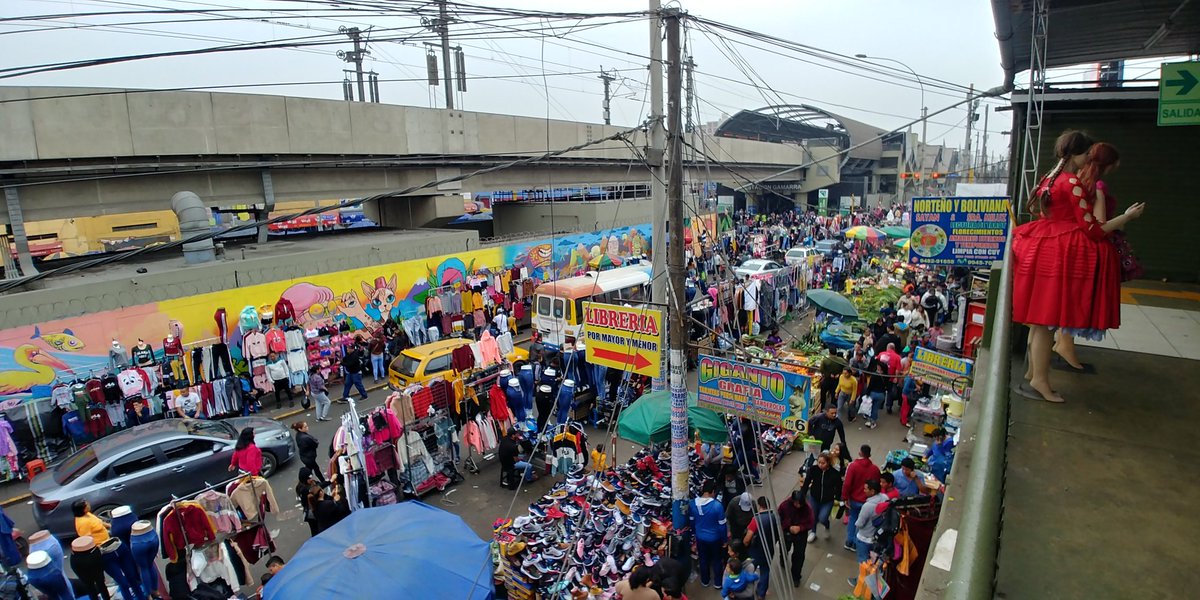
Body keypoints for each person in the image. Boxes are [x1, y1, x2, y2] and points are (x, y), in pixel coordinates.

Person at [1013, 132, 1142, 404]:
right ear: (1077, 154)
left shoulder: (1050, 177)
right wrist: (1126, 217)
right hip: (1062, 254)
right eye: (1087, 154)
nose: (1088, 159)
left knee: (1040, 323)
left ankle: (1035, 374)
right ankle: (1039, 379)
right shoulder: (1070, 181)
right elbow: (1094, 230)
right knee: (1046, 324)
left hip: (1044, 248)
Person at [841, 444, 881, 553]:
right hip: (868, 502)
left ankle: (849, 541)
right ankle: (855, 543)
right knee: (862, 522)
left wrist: (844, 497)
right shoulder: (875, 469)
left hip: (854, 499)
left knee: (853, 518)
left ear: (860, 453)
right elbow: (878, 486)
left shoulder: (853, 466)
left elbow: (847, 484)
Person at [689, 482, 728, 589]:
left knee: (703, 559)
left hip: (700, 538)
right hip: (715, 538)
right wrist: (724, 540)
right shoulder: (717, 506)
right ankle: (718, 583)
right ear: (713, 492)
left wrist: (694, 534)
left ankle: (705, 581)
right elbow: (722, 526)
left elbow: (692, 522)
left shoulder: (692, 504)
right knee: (717, 560)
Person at [798, 452, 842, 542]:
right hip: (814, 497)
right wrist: (802, 495)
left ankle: (826, 526)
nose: (820, 465)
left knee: (823, 518)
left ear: (828, 462)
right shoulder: (813, 470)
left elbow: (839, 486)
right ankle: (813, 532)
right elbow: (806, 482)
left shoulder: (834, 474)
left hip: (828, 500)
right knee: (813, 515)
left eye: (823, 463)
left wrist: (837, 498)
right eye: (819, 462)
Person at [850, 479, 888, 579]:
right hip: (876, 539)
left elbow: (860, 523)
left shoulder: (868, 506)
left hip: (864, 538)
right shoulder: (885, 498)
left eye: (866, 489)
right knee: (873, 561)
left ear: (872, 491)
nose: (864, 491)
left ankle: (862, 581)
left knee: (863, 562)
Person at [777, 490, 815, 588]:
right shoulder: (784, 506)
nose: (798, 506)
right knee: (784, 547)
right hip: (787, 531)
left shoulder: (807, 508)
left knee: (799, 555)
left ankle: (796, 576)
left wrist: (800, 528)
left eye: (800, 504)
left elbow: (810, 522)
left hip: (800, 534)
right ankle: (782, 557)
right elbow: (778, 518)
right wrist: (788, 527)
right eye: (796, 503)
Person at [742, 496, 778, 600]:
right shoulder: (775, 517)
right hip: (769, 549)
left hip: (756, 551)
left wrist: (745, 544)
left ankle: (746, 589)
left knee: (749, 569)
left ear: (760, 506)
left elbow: (747, 539)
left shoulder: (756, 520)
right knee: (765, 570)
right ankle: (761, 593)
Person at [296, 468, 321, 537]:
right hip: (311, 512)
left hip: (309, 511)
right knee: (316, 530)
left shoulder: (302, 486)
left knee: (315, 529)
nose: (311, 479)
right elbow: (317, 488)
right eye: (309, 478)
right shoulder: (305, 489)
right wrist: (330, 481)